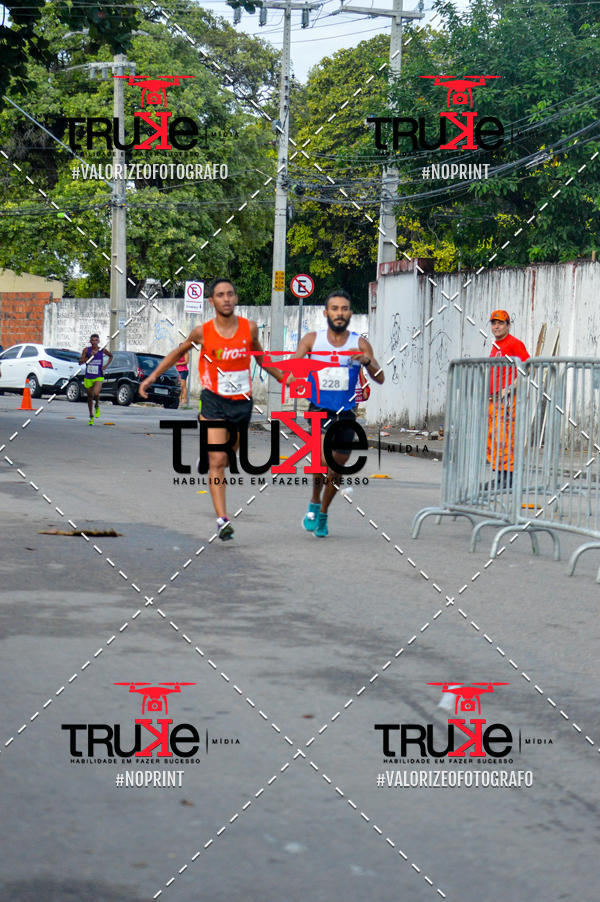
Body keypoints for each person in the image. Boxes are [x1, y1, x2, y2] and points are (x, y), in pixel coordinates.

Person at [139, 278, 285, 540]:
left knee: (228, 459)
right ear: (212, 301)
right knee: (218, 462)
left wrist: (286, 378)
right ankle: (222, 519)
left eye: (230, 294)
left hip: (242, 403)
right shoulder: (202, 332)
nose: (226, 298)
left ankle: (206, 455)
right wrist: (151, 377)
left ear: (236, 298)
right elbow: (176, 353)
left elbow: (261, 359)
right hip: (213, 400)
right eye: (220, 295)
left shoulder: (249, 329)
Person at [294, 289, 384, 538]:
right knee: (321, 462)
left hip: (346, 414)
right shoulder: (312, 340)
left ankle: (323, 512)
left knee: (336, 470)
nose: (339, 313)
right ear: (326, 313)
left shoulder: (360, 343)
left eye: (344, 308)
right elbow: (295, 364)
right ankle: (314, 499)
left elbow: (380, 378)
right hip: (318, 410)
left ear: (350, 313)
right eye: (335, 308)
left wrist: (367, 361)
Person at [487, 309, 530, 487]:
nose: (496, 326)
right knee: (494, 439)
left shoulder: (514, 344)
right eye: (494, 323)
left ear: (508, 325)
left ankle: (508, 479)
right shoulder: (496, 345)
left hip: (507, 401)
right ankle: (499, 477)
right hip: (494, 400)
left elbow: (526, 367)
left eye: (500, 323)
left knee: (506, 439)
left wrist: (510, 389)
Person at [79, 333, 113, 426]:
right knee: (90, 397)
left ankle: (97, 405)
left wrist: (105, 366)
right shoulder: (86, 350)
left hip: (98, 375)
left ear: (98, 341)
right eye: (92, 340)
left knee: (96, 393)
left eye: (96, 340)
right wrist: (89, 356)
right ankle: (91, 416)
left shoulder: (101, 350)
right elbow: (80, 362)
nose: (94, 342)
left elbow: (111, 356)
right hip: (88, 376)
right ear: (90, 341)